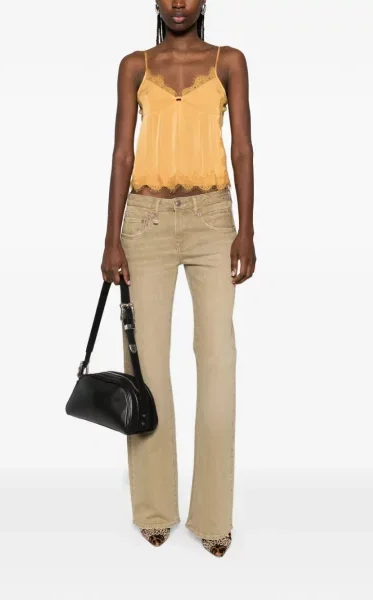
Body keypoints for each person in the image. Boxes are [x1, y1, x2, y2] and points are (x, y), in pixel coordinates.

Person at [101, 0, 256, 557]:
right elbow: (122, 154)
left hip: (213, 219)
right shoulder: (135, 66)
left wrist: (247, 230)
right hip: (145, 221)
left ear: (204, 1)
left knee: (217, 360)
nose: (179, 3)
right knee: (147, 366)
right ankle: (154, 508)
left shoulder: (229, 61)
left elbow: (242, 149)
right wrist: (111, 237)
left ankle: (213, 517)